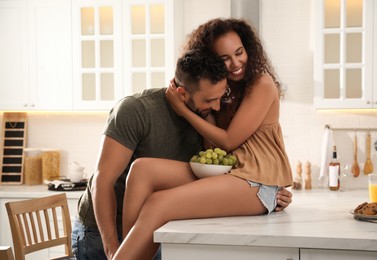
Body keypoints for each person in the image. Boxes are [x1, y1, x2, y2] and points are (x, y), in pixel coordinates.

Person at [71, 49, 294, 259]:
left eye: (220, 96)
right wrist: (113, 251)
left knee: (143, 172)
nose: (217, 106)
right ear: (182, 93)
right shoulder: (136, 109)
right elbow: (102, 180)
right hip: (100, 233)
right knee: (147, 185)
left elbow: (238, 164)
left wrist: (271, 188)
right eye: (209, 100)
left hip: (153, 225)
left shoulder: (209, 118)